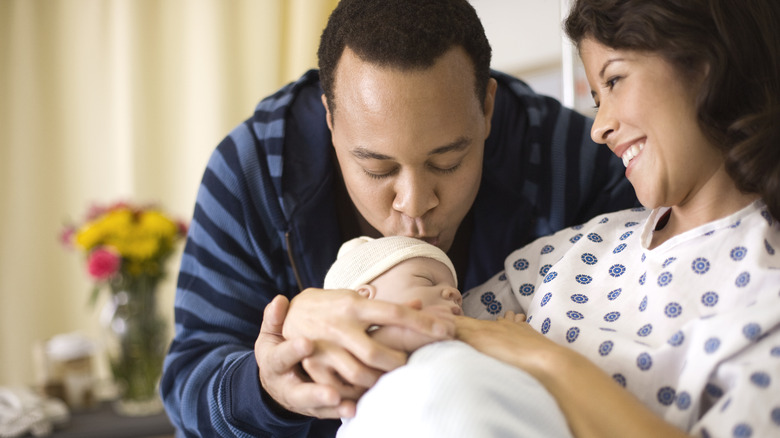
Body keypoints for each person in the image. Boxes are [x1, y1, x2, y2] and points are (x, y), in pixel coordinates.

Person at [160, 0, 637, 436]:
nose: (414, 203)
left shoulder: (566, 156)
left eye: (447, 162)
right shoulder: (254, 170)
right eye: (377, 169)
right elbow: (187, 386)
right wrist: (266, 387)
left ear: (487, 108)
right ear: (330, 118)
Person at [442, 1, 779, 437]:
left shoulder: (766, 290)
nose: (598, 128)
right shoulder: (572, 252)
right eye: (597, 98)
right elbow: (429, 331)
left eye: (615, 80)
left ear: (707, 63)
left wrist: (547, 363)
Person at [323, 236, 573, 438]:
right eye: (426, 280)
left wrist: (509, 341)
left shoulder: (466, 340)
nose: (453, 293)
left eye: (456, 291)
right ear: (364, 298)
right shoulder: (351, 359)